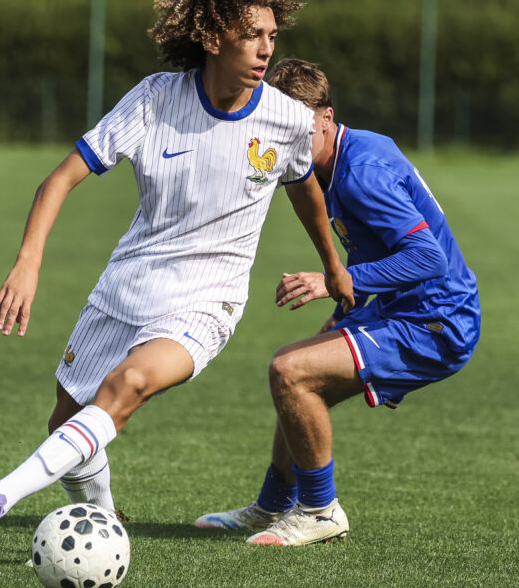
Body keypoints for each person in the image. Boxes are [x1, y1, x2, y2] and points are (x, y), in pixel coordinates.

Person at [0, 0, 355, 537]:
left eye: (271, 34)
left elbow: (303, 189)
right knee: (67, 421)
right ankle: (104, 520)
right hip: (127, 284)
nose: (266, 48)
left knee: (126, 386)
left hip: (207, 298)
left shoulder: (287, 118)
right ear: (213, 39)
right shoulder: (156, 99)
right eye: (251, 34)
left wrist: (331, 264)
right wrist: (27, 263)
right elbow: (59, 179)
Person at [194, 58, 481, 545]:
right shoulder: (344, 156)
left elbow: (428, 258)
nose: (289, 142)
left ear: (326, 117)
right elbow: (378, 245)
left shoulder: (360, 173)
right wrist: (347, 306)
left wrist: (335, 280)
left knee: (291, 373)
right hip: (402, 308)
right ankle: (273, 505)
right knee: (294, 368)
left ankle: (321, 511)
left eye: (298, 128)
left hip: (435, 320)